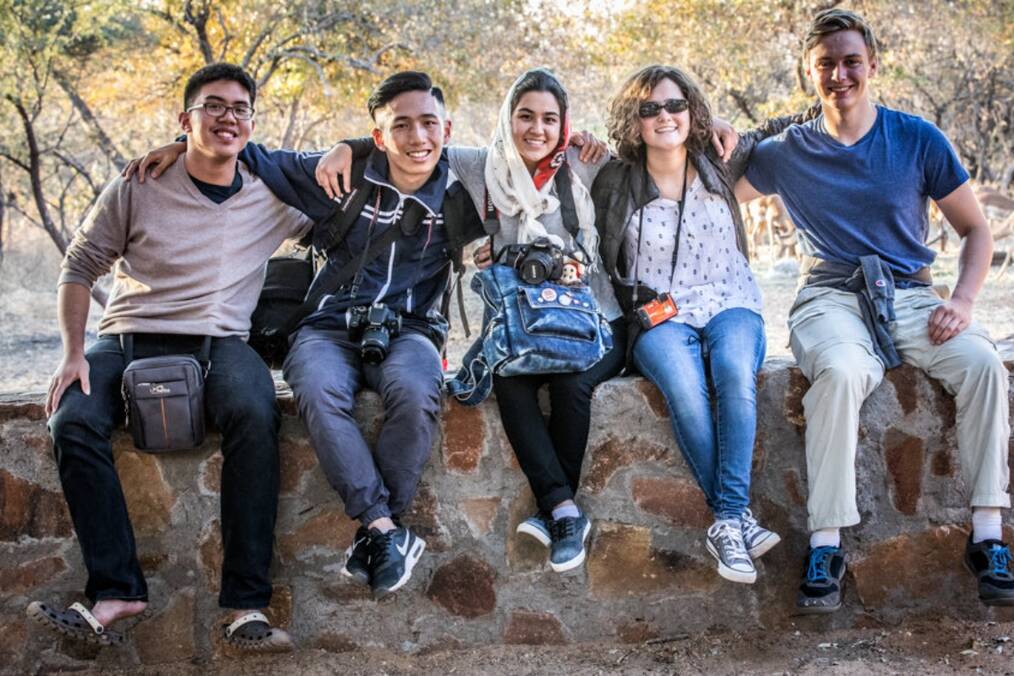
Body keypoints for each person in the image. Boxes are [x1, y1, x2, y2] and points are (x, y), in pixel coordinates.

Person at [313, 68, 738, 573]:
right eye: (526, 116)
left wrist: (716, 125)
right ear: (507, 118)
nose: (537, 129)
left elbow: (658, 146)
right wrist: (349, 146)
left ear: (566, 124)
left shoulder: (586, 163)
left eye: (550, 119)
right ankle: (563, 511)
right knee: (510, 383)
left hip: (596, 317)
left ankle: (556, 508)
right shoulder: (479, 167)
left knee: (571, 384)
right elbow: (413, 142)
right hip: (524, 323)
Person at [737, 8, 1012, 611]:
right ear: (810, 74)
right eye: (826, 65)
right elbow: (710, 186)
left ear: (873, 65)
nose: (840, 75)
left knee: (984, 365)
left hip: (912, 295)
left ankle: (989, 536)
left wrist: (962, 301)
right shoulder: (787, 151)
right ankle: (826, 544)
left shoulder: (916, 138)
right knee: (840, 373)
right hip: (829, 296)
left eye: (851, 61)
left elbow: (975, 231)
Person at [28, 63, 311, 650]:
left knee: (257, 416)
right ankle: (116, 591)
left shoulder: (273, 197)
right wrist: (73, 354)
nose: (228, 117)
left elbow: (354, 186)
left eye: (239, 108)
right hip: (129, 333)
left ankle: (245, 609)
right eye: (213, 106)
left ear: (251, 124)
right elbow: (78, 267)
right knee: (71, 420)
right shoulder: (136, 184)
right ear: (186, 119)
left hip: (221, 342)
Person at [592, 65, 814, 584]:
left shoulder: (720, 157)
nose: (663, 117)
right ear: (634, 119)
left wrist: (834, 101)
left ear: (692, 111)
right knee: (686, 388)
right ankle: (734, 518)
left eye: (674, 105)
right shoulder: (614, 178)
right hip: (658, 314)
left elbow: (785, 124)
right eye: (649, 109)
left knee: (735, 373)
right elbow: (552, 156)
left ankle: (727, 518)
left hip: (730, 300)